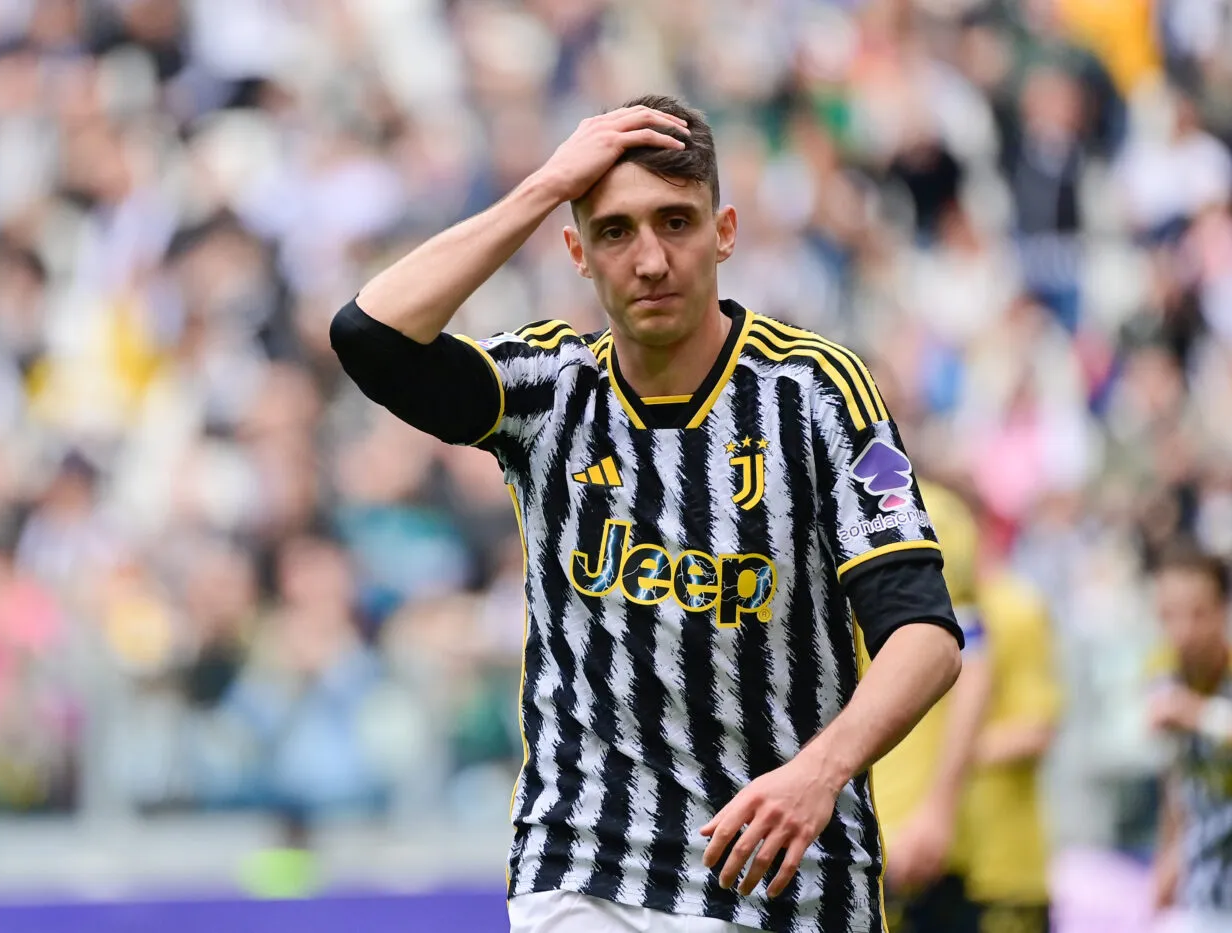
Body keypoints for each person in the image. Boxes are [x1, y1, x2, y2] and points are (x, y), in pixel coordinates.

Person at [330, 94, 965, 933]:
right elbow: (368, 334)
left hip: (784, 878)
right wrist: (545, 184)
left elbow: (925, 636)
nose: (652, 259)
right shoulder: (547, 389)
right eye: (616, 231)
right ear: (578, 252)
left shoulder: (817, 393)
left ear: (724, 231)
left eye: (676, 222)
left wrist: (820, 773)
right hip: (585, 863)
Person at [871, 479, 992, 933]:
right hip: (804, 821)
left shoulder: (926, 510)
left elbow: (973, 662)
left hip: (907, 825)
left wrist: (937, 807)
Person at [956, 568, 1061, 933]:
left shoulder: (1013, 610)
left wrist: (944, 754)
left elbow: (1036, 729)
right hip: (933, 864)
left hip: (1004, 873)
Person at [1148, 545, 1232, 933]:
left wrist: (1199, 714)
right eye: (1168, 615)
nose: (1182, 631)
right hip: (1203, 894)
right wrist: (1169, 857)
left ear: (1223, 609)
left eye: (1197, 613)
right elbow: (1179, 777)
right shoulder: (1164, 674)